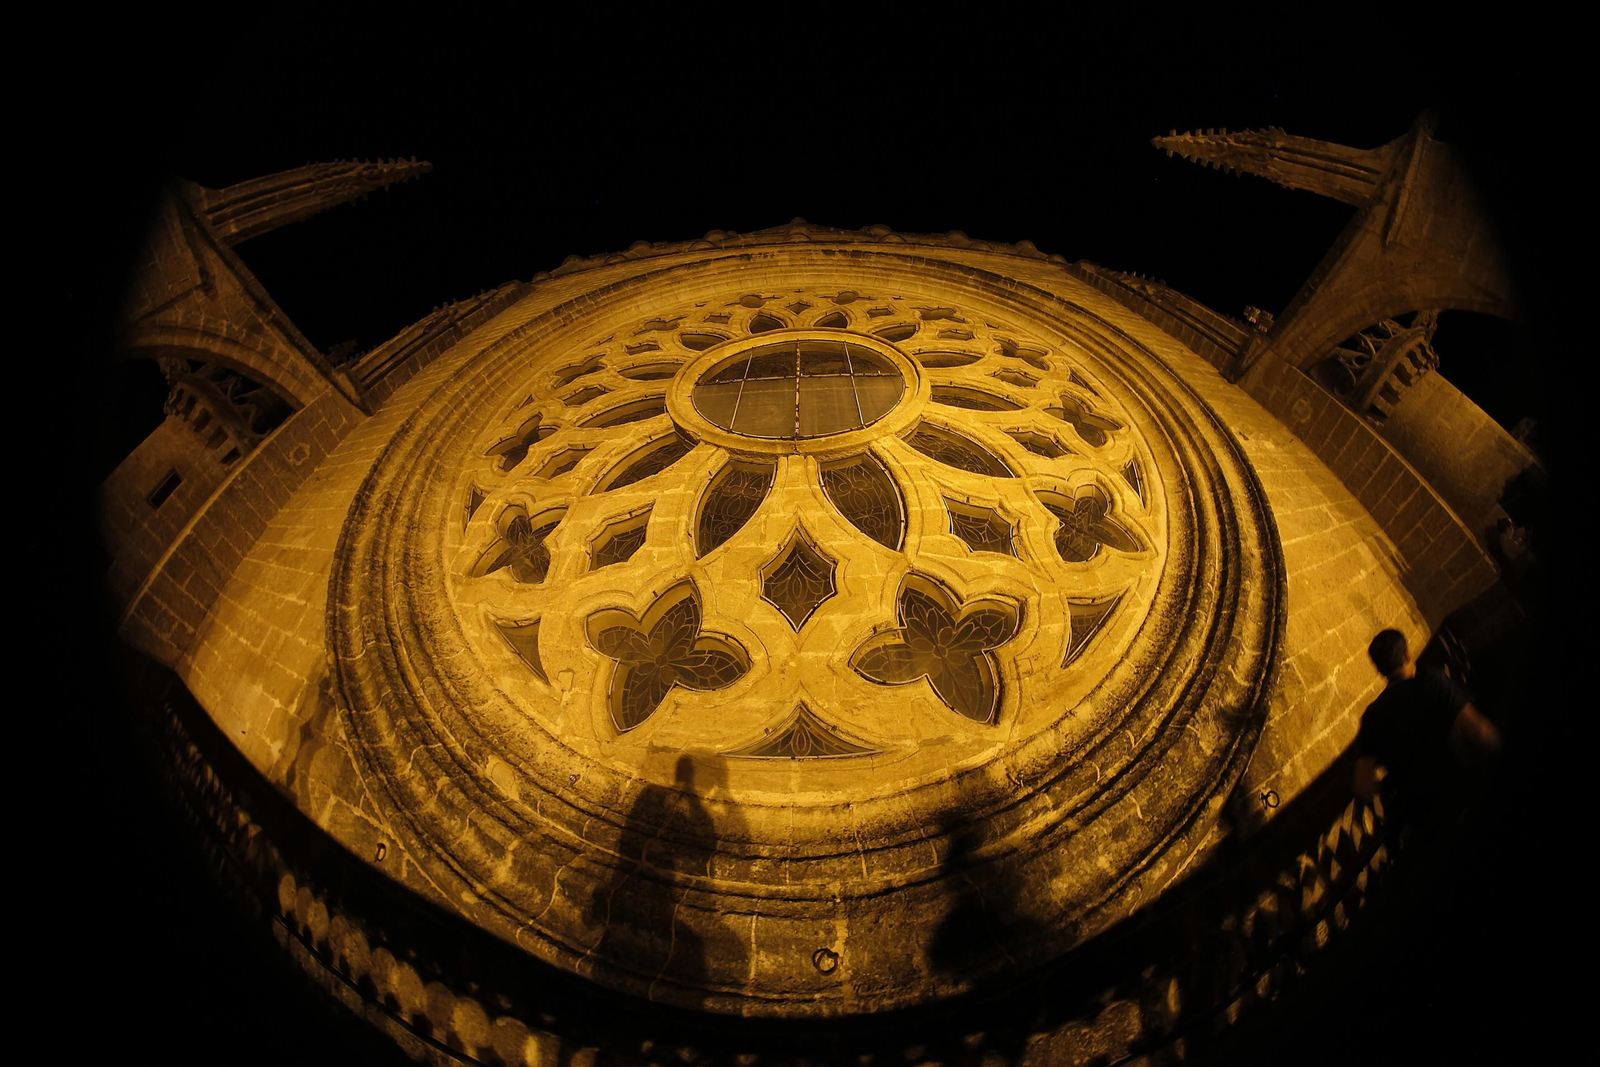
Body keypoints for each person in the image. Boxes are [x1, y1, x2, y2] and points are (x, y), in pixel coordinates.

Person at [1352, 629, 1501, 835]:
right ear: (1407, 655)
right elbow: (1480, 732)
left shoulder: (1372, 715)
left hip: (1424, 819)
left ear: (1379, 669)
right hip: (1463, 794)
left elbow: (1362, 784)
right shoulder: (1430, 682)